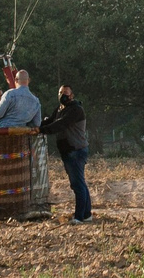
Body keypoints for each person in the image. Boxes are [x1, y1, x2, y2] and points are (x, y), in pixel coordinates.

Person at [44, 85, 91, 223]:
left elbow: (60, 124)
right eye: (60, 92)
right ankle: (87, 214)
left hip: (76, 150)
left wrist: (41, 130)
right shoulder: (60, 109)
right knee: (78, 183)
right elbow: (51, 120)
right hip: (68, 151)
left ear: (72, 95)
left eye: (65, 93)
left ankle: (79, 217)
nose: (62, 95)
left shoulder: (76, 110)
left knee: (77, 184)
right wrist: (37, 126)